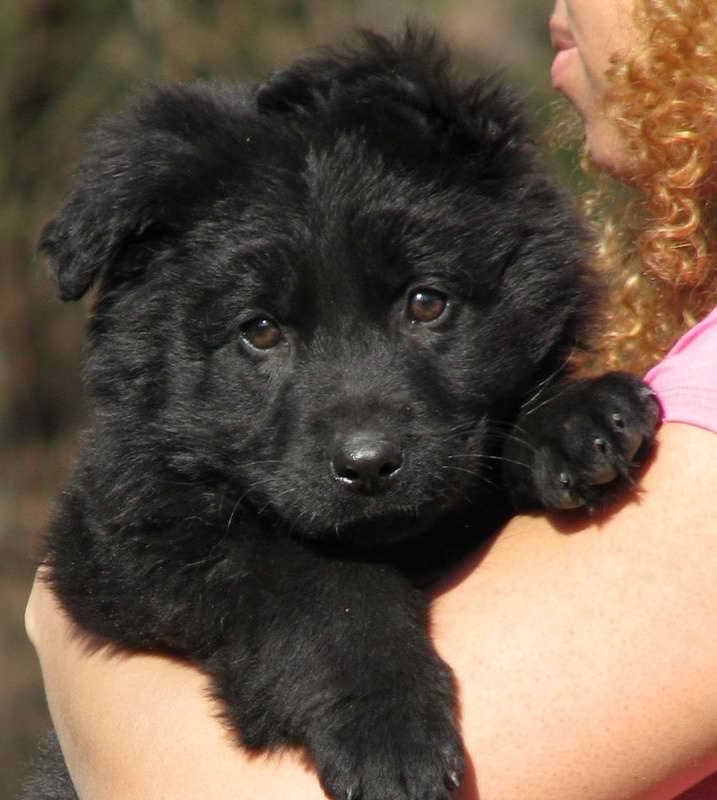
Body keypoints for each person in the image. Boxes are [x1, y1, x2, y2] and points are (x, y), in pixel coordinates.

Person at [25, 0, 717, 797]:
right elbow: (122, 557)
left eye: (424, 305)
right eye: (259, 331)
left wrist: (534, 431)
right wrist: (338, 646)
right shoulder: (159, 522)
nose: (362, 437)